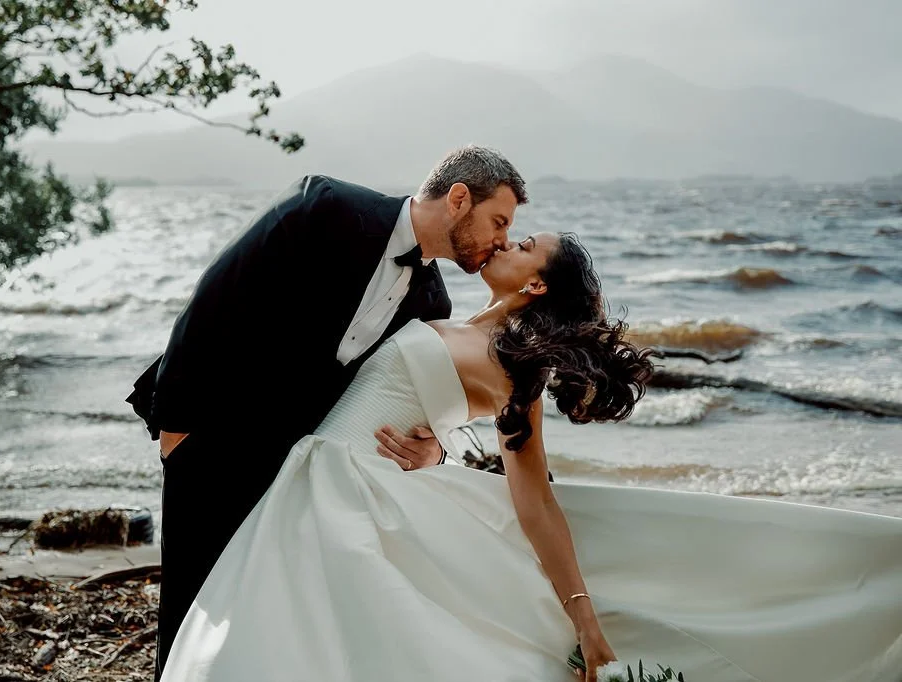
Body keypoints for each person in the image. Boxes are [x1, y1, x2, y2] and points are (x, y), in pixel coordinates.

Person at [161, 232, 902, 681]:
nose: (504, 243)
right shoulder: (442, 311)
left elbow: (534, 496)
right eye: (507, 231)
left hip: (346, 494)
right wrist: (442, 448)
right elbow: (423, 404)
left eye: (520, 244)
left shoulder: (515, 367)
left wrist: (583, 618)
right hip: (321, 479)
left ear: (537, 282)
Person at [125, 145, 529, 678]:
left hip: (296, 469)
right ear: (458, 199)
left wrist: (435, 446)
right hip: (212, 439)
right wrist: (175, 425)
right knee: (191, 604)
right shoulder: (325, 207)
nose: (502, 239)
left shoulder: (433, 304)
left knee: (257, 611)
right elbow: (214, 301)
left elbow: (394, 390)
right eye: (499, 221)